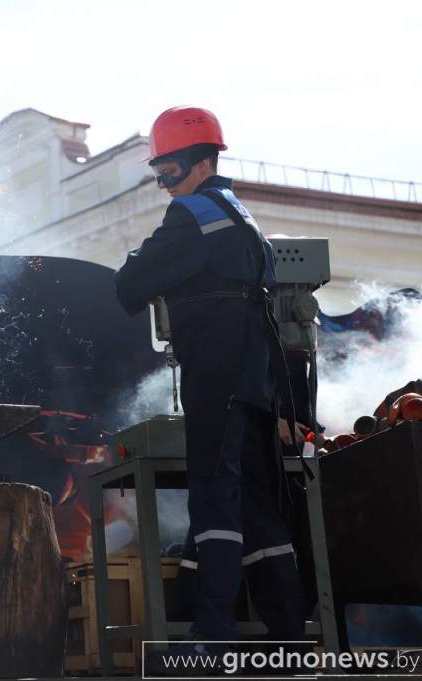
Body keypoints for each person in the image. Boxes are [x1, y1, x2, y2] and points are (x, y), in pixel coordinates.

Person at [115, 106, 305, 672]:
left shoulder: (191, 216)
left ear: (200, 164)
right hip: (256, 381)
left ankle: (214, 634)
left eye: (167, 172)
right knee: (256, 501)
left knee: (213, 494)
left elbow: (131, 282)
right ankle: (290, 631)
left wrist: (137, 259)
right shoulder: (243, 218)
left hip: (216, 375)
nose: (163, 186)